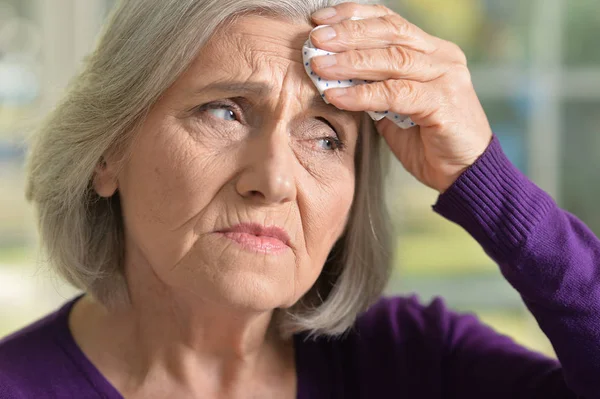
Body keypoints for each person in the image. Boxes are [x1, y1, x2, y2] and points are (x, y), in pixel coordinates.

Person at [0, 0, 598, 398]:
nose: (276, 180)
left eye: (325, 137)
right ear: (109, 152)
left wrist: (483, 179)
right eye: (224, 111)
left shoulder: (416, 362)